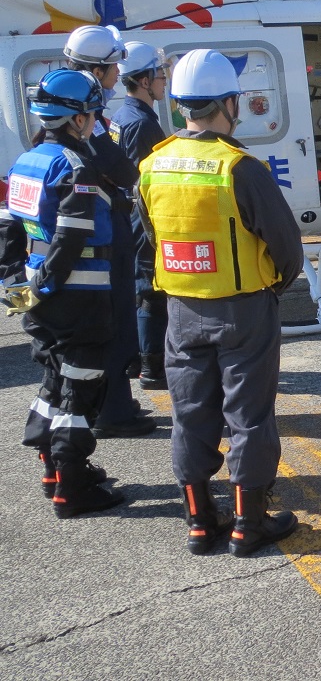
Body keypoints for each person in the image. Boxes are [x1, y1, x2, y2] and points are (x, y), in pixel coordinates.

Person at [137, 49, 304, 557]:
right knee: (249, 417)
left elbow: (152, 237)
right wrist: (274, 285)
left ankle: (198, 521)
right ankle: (246, 526)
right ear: (230, 103)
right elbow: (287, 246)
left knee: (190, 413)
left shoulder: (152, 164)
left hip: (181, 311)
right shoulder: (241, 168)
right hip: (243, 309)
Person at [2, 69, 124, 517]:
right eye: (92, 114)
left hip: (38, 292)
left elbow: (9, 229)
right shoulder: (75, 167)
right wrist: (51, 284)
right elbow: (72, 237)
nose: (95, 122)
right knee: (82, 386)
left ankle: (53, 467)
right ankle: (72, 488)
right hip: (79, 296)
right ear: (77, 120)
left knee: (54, 377)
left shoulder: (26, 161)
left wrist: (18, 287)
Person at [64, 25, 157, 438]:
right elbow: (121, 171)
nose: (118, 75)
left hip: (96, 233)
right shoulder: (88, 122)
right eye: (113, 67)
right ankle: (113, 412)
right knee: (113, 320)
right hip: (103, 236)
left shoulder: (77, 115)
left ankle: (116, 403)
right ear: (96, 70)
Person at [110, 41, 170, 391]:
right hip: (142, 219)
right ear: (145, 80)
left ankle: (137, 359)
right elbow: (141, 181)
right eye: (160, 74)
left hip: (132, 216)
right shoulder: (141, 124)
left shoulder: (124, 115)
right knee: (150, 289)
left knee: (140, 288)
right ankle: (153, 367)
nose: (164, 80)